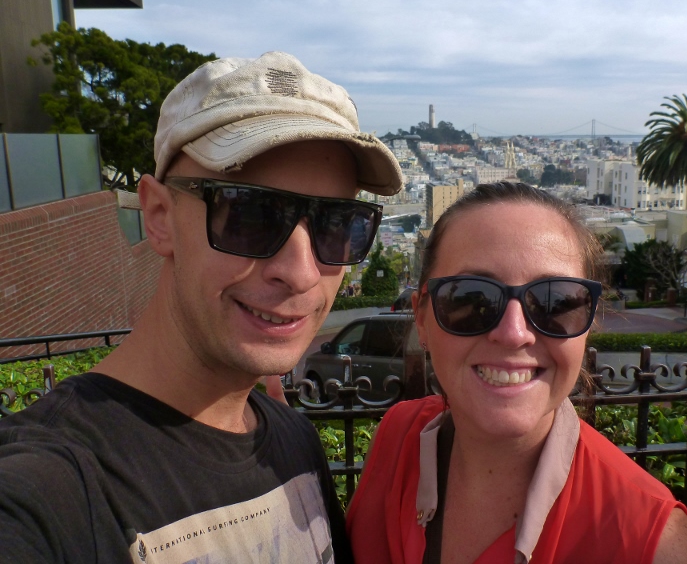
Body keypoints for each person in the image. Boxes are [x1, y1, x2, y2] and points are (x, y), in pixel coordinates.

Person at [0, 52, 402, 563]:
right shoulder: (53, 486)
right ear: (159, 215)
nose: (300, 272)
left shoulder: (293, 441)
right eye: (251, 214)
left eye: (339, 224)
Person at [346, 182, 687, 564]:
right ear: (422, 318)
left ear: (588, 325)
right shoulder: (399, 438)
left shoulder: (651, 542)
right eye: (471, 299)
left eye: (556, 302)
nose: (513, 333)